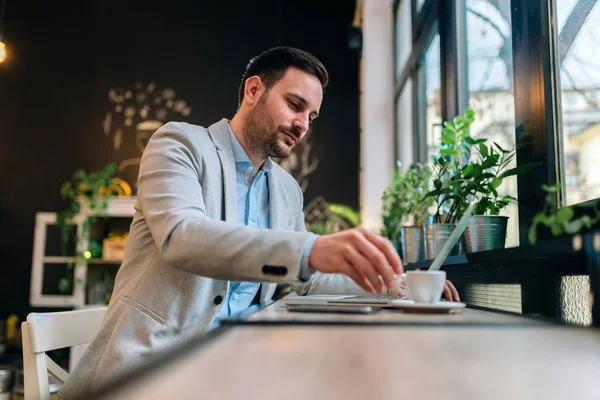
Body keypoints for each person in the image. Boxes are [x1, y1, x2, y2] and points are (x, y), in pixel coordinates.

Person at [59, 47, 459, 398]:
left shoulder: (287, 189)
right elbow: (182, 237)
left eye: (312, 116)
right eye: (295, 104)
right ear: (253, 91)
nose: (303, 124)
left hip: (237, 372)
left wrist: (393, 282)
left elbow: (307, 275)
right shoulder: (179, 143)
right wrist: (313, 248)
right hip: (148, 374)